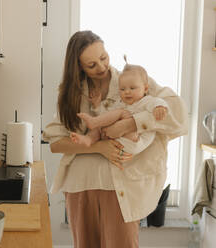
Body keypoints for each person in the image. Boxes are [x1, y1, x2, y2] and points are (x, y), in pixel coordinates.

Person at [42, 30, 188, 248]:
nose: (101, 67)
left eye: (103, 58)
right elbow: (55, 144)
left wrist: (131, 123)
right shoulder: (72, 95)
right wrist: (99, 147)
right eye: (91, 65)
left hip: (120, 187)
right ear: (79, 67)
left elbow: (178, 114)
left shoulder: (132, 80)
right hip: (80, 186)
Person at [70, 61, 169, 156]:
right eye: (122, 89)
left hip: (136, 140)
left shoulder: (146, 101)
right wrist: (97, 106)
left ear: (145, 88)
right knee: (99, 128)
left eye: (132, 88)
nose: (127, 92)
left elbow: (158, 102)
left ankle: (94, 122)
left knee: (121, 113)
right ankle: (88, 139)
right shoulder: (120, 103)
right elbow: (106, 115)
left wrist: (159, 107)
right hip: (116, 141)